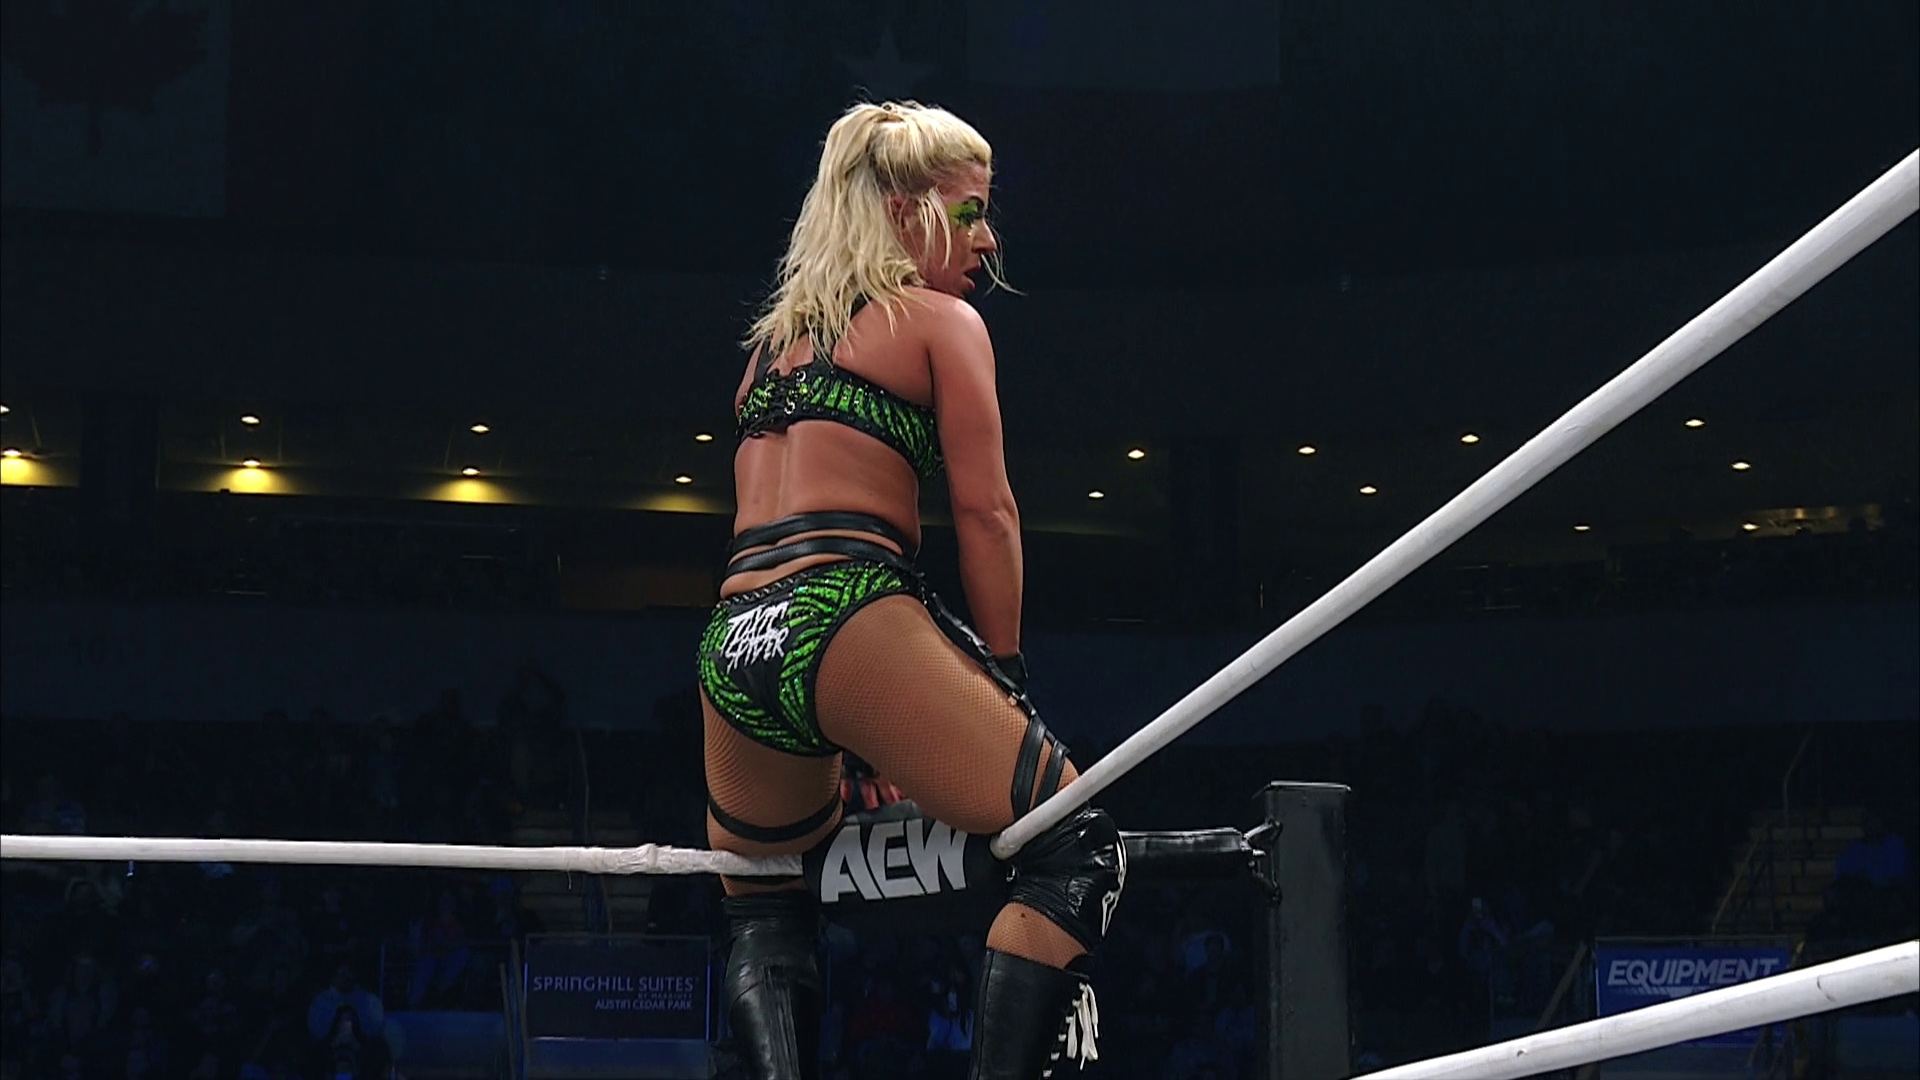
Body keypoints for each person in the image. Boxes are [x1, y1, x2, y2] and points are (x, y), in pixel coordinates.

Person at [696, 100, 1124, 1079]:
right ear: (902, 211)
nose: (988, 240)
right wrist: (1003, 682)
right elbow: (987, 514)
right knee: (1077, 846)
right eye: (968, 212)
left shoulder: (766, 354)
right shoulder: (939, 323)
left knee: (766, 904)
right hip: (843, 607)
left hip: (736, 636)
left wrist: (871, 720)